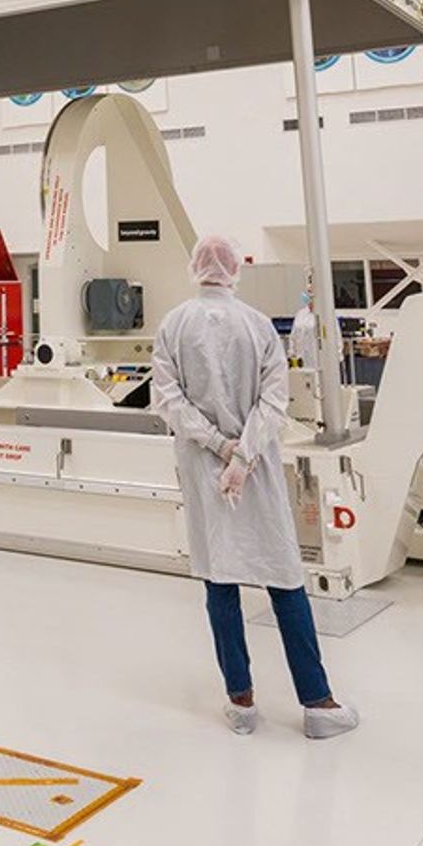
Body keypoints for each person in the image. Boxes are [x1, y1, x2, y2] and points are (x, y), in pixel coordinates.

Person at [150, 234, 358, 741]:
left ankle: (240, 703)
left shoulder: (173, 325)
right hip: (256, 468)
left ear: (195, 268)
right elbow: (274, 404)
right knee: (285, 580)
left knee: (219, 580)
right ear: (234, 271)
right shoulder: (258, 325)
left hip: (203, 467)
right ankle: (318, 703)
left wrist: (218, 447)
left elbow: (169, 402)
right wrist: (243, 456)